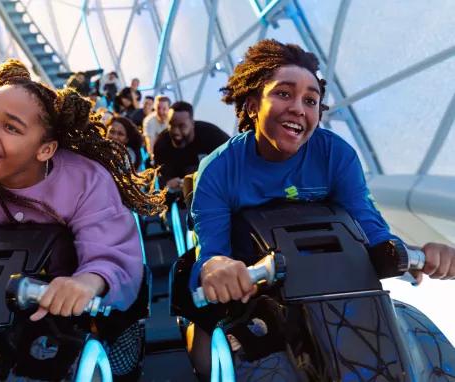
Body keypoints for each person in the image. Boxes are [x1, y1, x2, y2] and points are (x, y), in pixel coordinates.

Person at [187, 39, 455, 378]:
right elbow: (212, 250)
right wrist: (217, 267)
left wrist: (413, 255)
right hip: (261, 300)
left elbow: (370, 227)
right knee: (212, 342)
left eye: (310, 100)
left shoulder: (335, 155)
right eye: (284, 94)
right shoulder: (218, 168)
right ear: (253, 105)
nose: (299, 107)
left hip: (338, 295)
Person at [0, 59, 166, 377]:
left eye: (10, 127)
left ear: (45, 150)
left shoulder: (86, 180)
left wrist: (87, 282)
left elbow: (111, 253)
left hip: (68, 305)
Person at [153, 101, 229, 192]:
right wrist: (168, 182)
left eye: (181, 126)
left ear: (192, 124)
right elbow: (162, 175)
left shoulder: (212, 135)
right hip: (181, 192)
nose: (176, 132)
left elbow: (234, 155)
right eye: (172, 125)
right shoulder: (161, 145)